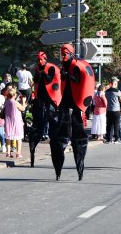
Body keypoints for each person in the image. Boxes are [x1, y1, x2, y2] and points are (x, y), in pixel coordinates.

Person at [51, 44, 94, 180]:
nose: (63, 56)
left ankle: (80, 169)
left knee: (78, 137)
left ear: (70, 54)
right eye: (62, 54)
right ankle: (58, 170)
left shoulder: (75, 66)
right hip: (65, 101)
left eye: (65, 54)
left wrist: (67, 75)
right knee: (58, 136)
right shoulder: (64, 66)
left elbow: (77, 80)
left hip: (75, 102)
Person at [3, 87, 26, 158]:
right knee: (18, 138)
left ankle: (8, 153)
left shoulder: (6, 102)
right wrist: (23, 101)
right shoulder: (15, 103)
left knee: (8, 138)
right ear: (14, 95)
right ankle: (18, 153)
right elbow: (23, 108)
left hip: (8, 122)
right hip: (16, 122)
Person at [105, 77, 121, 144]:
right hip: (116, 110)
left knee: (109, 125)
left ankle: (108, 139)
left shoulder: (106, 92)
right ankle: (116, 139)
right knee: (116, 124)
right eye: (116, 83)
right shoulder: (117, 91)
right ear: (114, 84)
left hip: (109, 109)